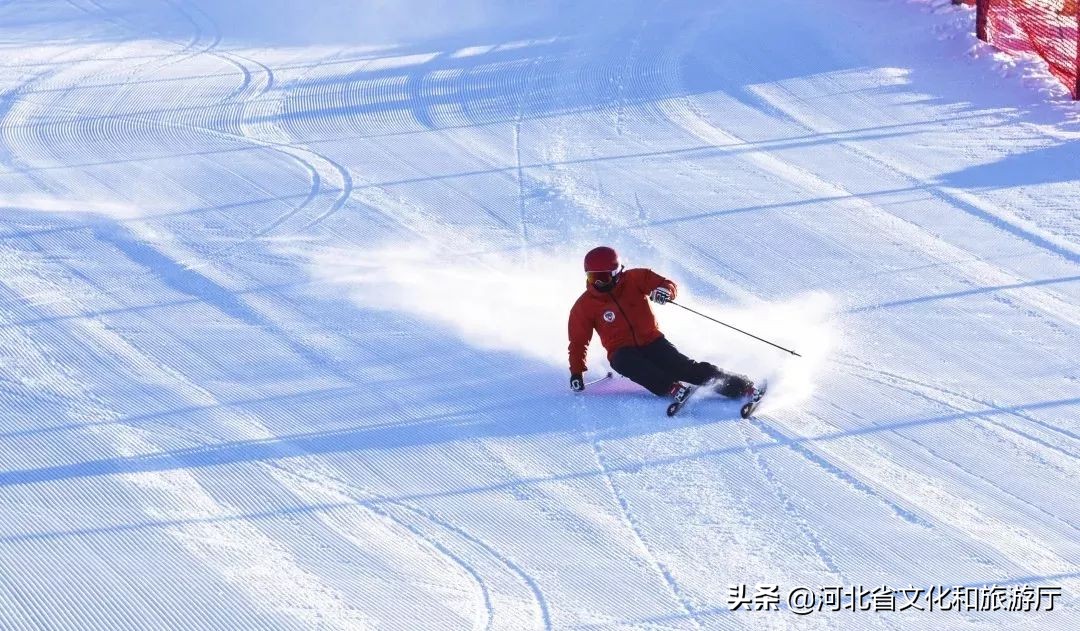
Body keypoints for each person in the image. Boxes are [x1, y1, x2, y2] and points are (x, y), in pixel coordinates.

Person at [568, 245, 755, 402]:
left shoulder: (635, 278)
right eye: (593, 278)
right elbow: (578, 343)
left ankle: (741, 386)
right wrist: (576, 372)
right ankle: (671, 388)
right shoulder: (584, 306)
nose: (598, 284)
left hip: (652, 341)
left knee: (684, 368)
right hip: (622, 351)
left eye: (604, 278)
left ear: (616, 272)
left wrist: (665, 291)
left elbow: (666, 284)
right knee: (627, 364)